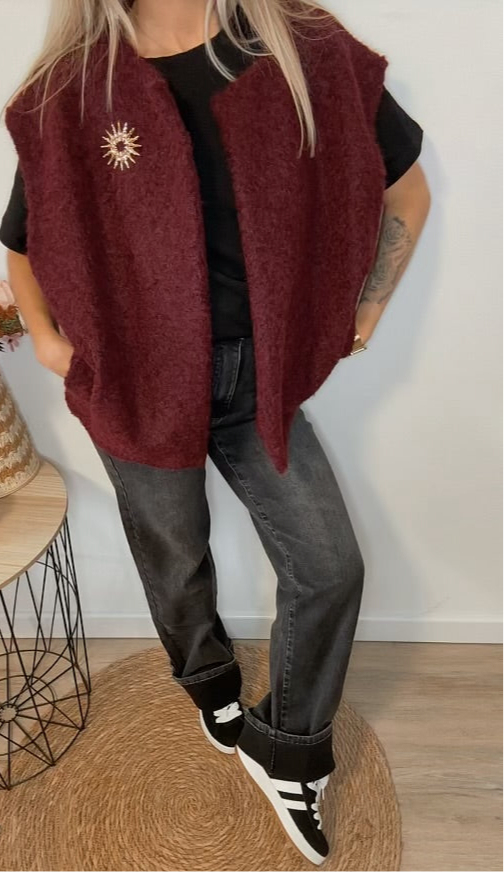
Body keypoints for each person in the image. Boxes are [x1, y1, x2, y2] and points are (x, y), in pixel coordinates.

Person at [0, 0, 430, 864]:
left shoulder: (302, 49)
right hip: (135, 380)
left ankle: (290, 750)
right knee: (174, 552)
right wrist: (46, 341)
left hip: (257, 377)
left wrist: (368, 311)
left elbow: (405, 186)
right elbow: (24, 239)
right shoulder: (71, 91)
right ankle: (208, 679)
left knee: (329, 566)